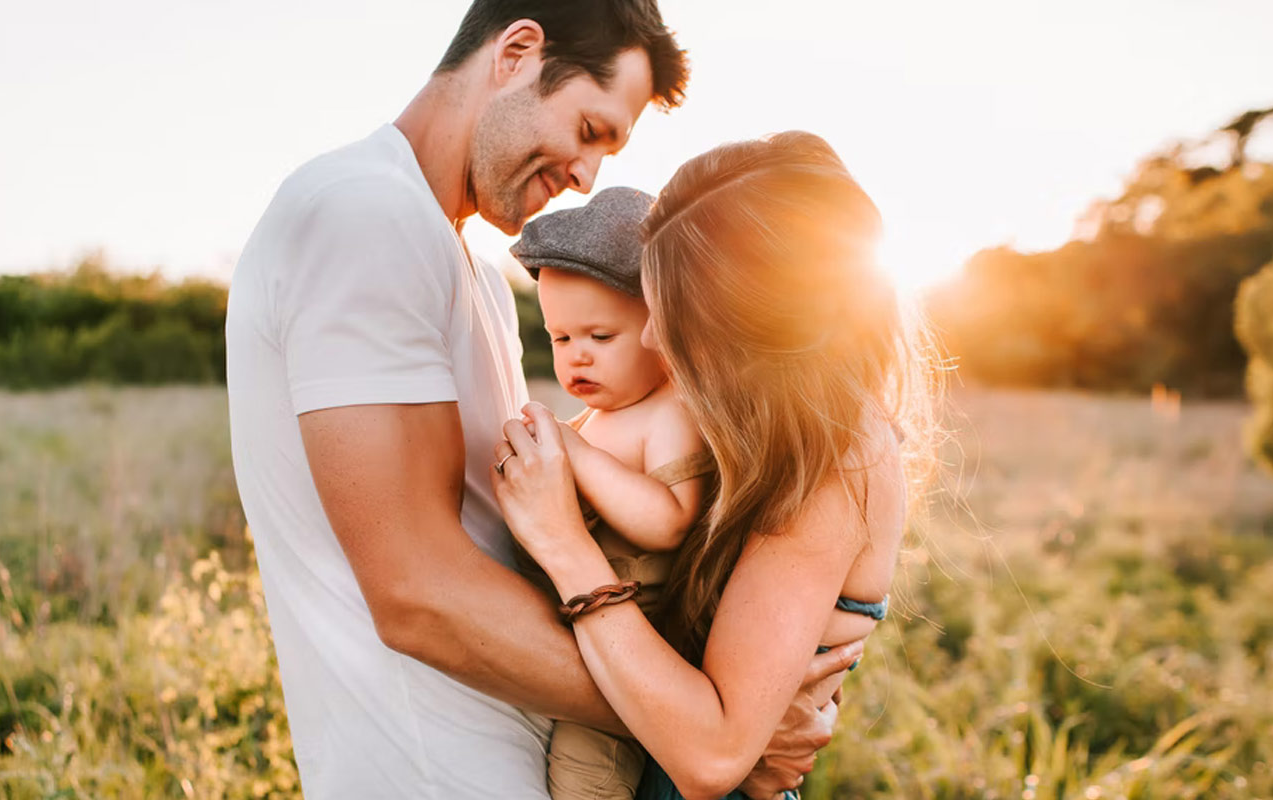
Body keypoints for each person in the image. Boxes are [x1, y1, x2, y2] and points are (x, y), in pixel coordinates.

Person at [225, 2, 861, 796]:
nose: (586, 178)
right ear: (518, 51)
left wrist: (720, 716)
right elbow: (417, 594)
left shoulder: (475, 277)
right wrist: (713, 727)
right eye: (590, 130)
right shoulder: (364, 216)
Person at [492, 130, 938, 800]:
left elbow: (710, 754)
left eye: (675, 315)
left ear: (752, 327)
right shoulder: (760, 431)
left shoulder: (837, 456)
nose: (650, 335)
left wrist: (562, 544)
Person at [511, 186, 715, 800]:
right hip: (573, 638)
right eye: (561, 338)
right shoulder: (595, 418)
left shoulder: (668, 411)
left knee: (585, 777)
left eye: (600, 337)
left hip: (636, 645)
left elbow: (672, 520)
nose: (578, 359)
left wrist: (576, 456)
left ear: (662, 331)